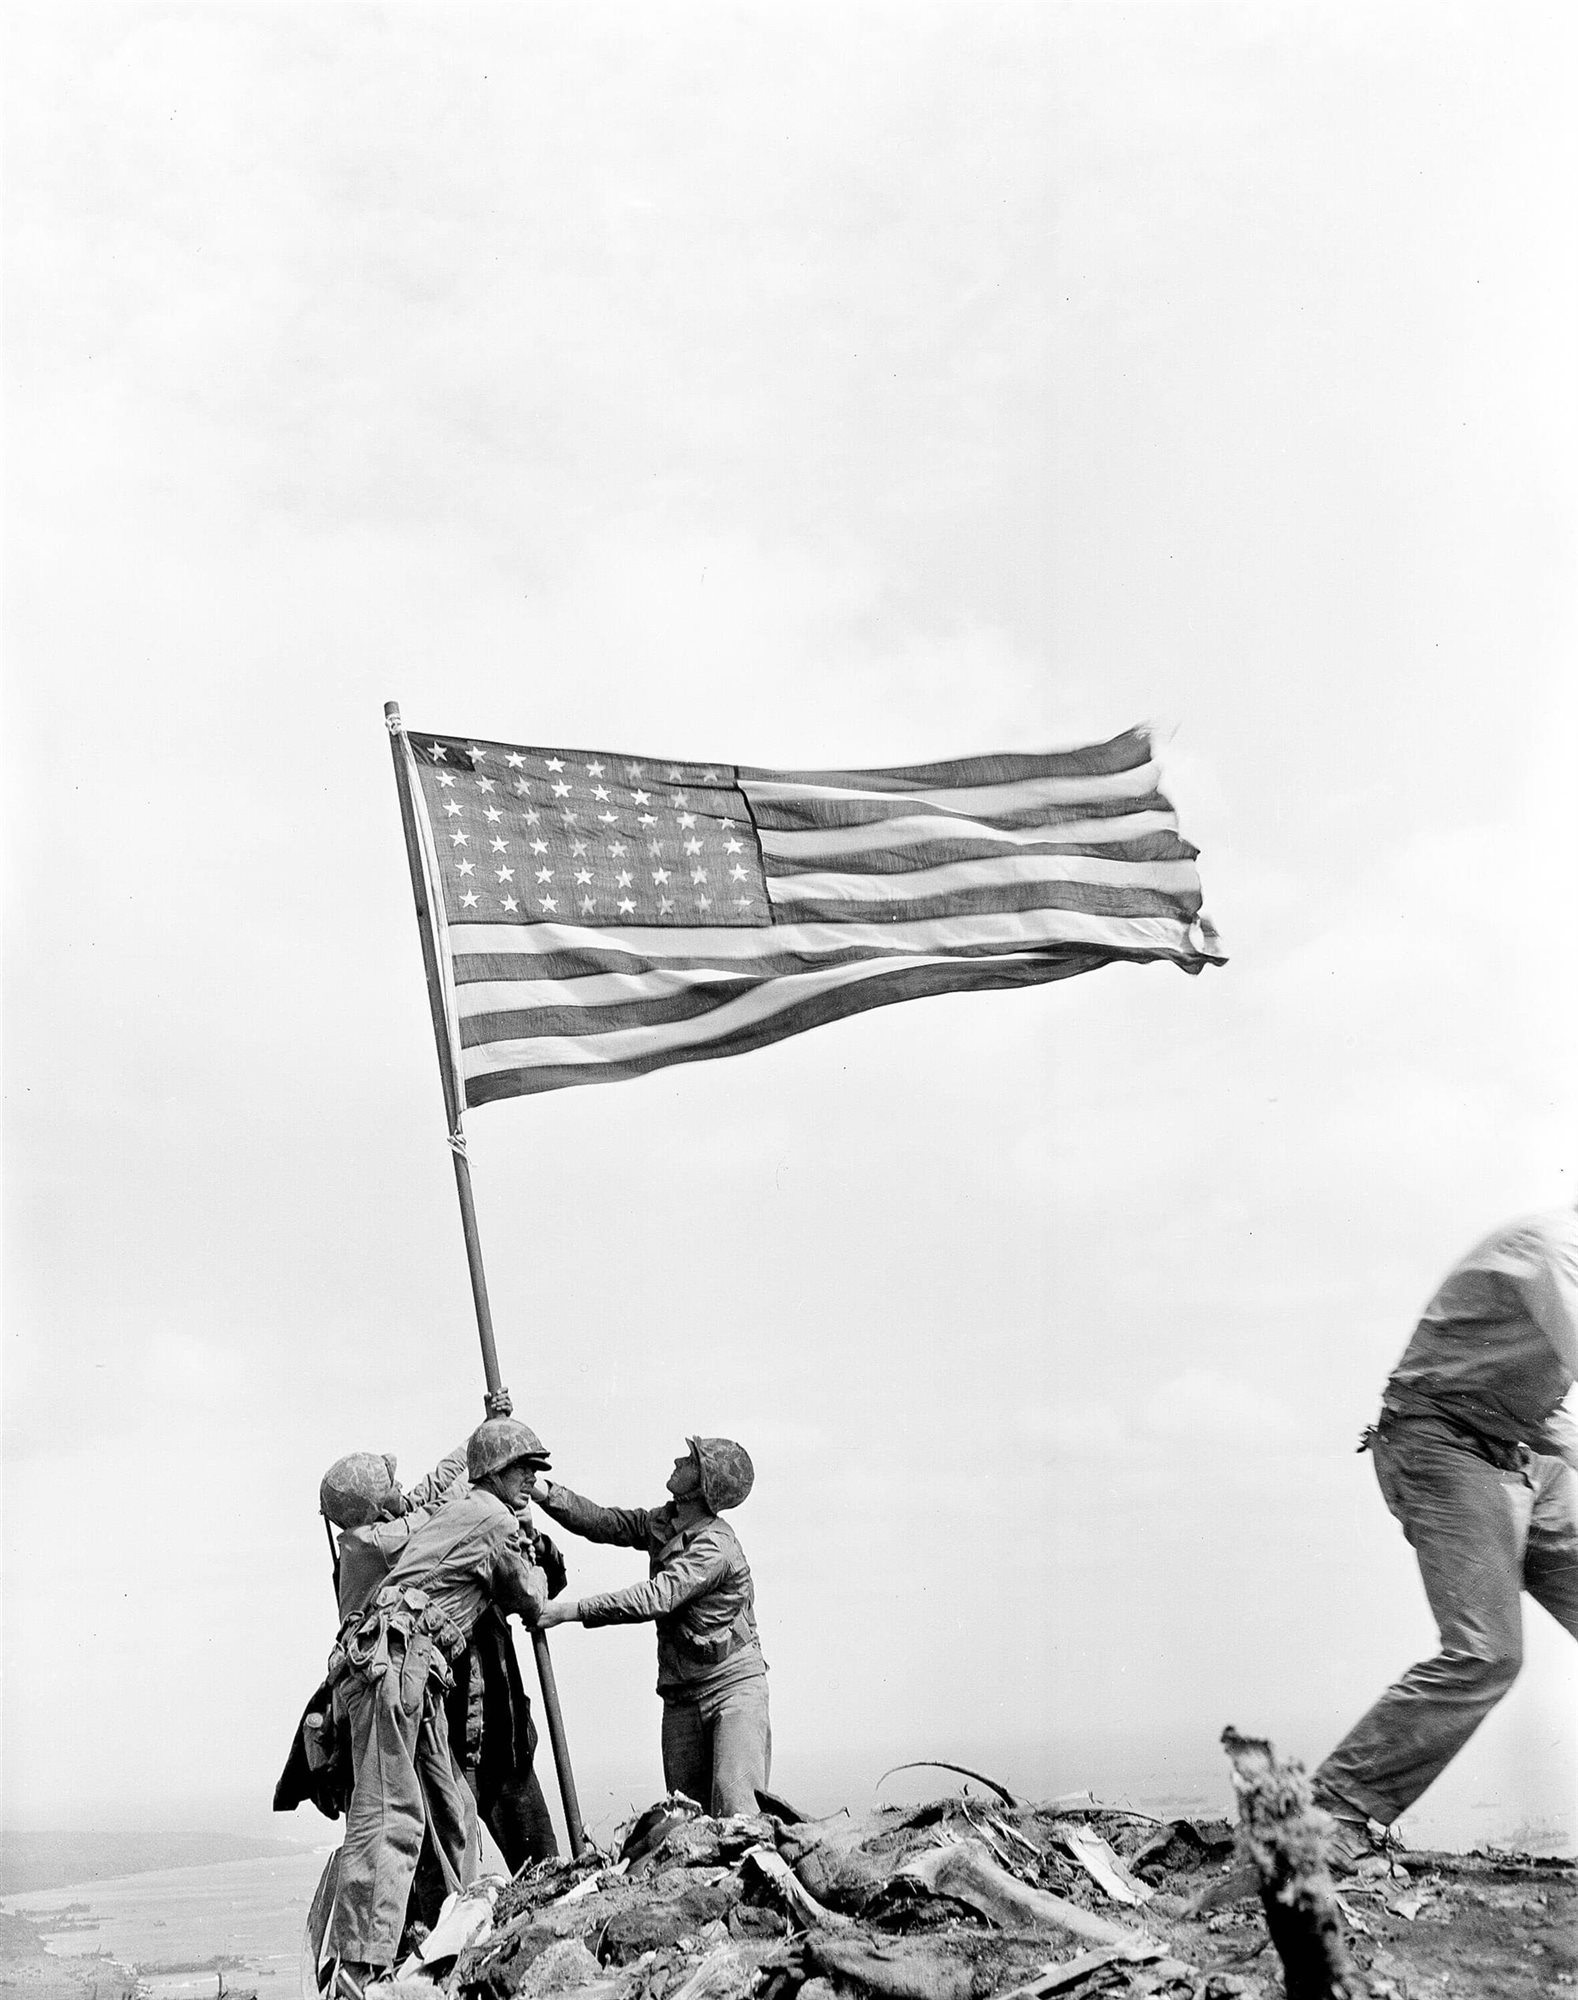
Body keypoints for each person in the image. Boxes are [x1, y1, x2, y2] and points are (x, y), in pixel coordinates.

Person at [1312, 1204, 1578, 1867]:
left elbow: (1550, 1405)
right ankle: (1327, 1818)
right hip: (1437, 1444)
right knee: (1486, 1653)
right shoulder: (1556, 1250)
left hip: (1516, 1449)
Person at [326, 1418, 553, 1989]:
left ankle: (456, 1933)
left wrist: (489, 1431)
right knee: (390, 1817)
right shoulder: (477, 1519)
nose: (531, 1480)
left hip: (415, 1671)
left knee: (451, 1806)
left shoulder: (447, 1514)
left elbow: (446, 1484)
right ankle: (360, 1965)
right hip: (395, 1669)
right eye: (521, 1470)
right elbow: (529, 1593)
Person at [532, 1437, 770, 1818]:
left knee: (738, 1815)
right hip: (681, 1693)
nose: (679, 1459)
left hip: (732, 1689)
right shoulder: (666, 1521)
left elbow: (657, 1597)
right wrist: (544, 1493)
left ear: (704, 1485)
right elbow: (607, 1523)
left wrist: (569, 1611)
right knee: (685, 1821)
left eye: (691, 1460)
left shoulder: (715, 1547)